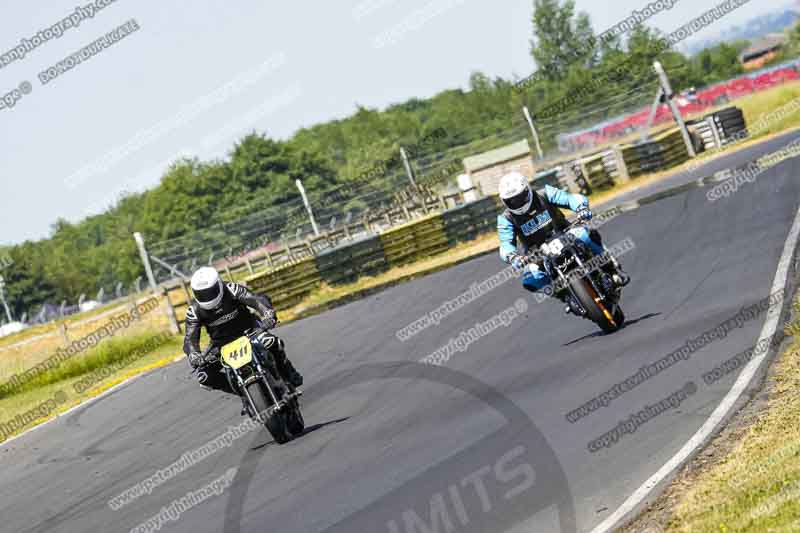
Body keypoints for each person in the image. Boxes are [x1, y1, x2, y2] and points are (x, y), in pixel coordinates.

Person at [496, 171, 628, 313]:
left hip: (565, 233)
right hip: (537, 253)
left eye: (519, 197)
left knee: (585, 234)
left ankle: (611, 268)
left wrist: (581, 208)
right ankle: (565, 296)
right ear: (505, 201)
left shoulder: (544, 193)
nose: (516, 202)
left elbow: (569, 199)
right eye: (511, 201)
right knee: (531, 278)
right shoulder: (505, 219)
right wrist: (513, 257)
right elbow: (505, 244)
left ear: (527, 189)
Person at [183, 267, 303, 415]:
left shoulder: (232, 289)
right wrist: (194, 355)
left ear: (219, 285)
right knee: (204, 377)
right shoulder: (194, 310)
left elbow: (257, 300)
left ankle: (288, 372)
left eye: (209, 291)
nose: (206, 296)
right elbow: (190, 339)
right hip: (221, 345)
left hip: (250, 331)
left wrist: (268, 314)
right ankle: (244, 394)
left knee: (271, 342)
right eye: (201, 293)